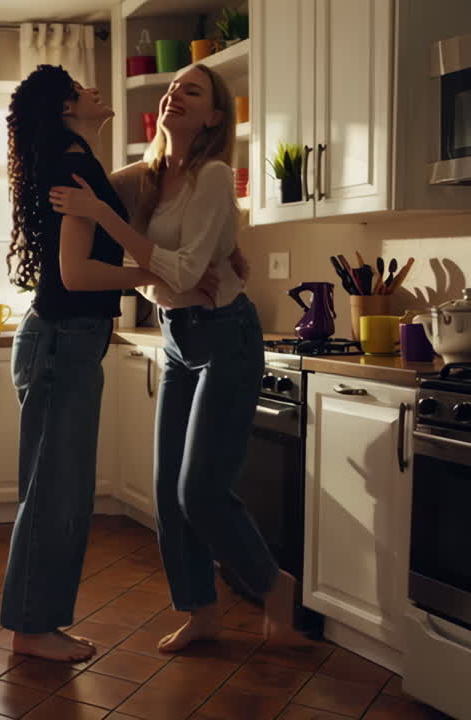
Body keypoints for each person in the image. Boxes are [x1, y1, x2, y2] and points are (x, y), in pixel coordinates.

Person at [49, 61, 297, 653]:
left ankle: (275, 585)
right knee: (167, 493)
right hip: (177, 336)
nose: (174, 95)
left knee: (200, 491)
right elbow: (146, 262)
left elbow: (181, 271)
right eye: (172, 88)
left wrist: (105, 217)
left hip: (226, 337)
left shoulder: (213, 175)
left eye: (192, 90)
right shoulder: (147, 176)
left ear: (213, 117)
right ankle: (201, 612)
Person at [0, 65, 169, 663]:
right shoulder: (73, 164)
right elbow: (75, 275)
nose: (94, 90)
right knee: (56, 495)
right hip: (62, 341)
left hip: (66, 340)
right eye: (80, 87)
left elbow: (120, 194)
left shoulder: (77, 161)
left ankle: (39, 623)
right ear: (67, 107)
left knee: (60, 492)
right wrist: (152, 273)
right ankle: (32, 629)